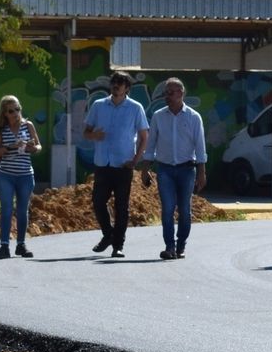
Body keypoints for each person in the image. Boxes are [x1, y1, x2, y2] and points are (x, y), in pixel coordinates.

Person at [83, 71, 149, 256]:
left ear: (127, 88)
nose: (116, 86)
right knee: (98, 202)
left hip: (123, 164)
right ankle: (108, 234)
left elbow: (144, 136)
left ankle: (117, 246)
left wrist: (136, 160)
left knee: (122, 207)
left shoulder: (135, 108)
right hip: (103, 163)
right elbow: (86, 132)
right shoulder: (98, 105)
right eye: (114, 82)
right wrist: (93, 135)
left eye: (120, 83)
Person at [142, 77, 207, 260]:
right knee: (168, 208)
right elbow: (151, 143)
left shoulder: (194, 117)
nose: (167, 96)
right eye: (165, 93)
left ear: (181, 94)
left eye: (171, 93)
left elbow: (200, 147)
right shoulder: (158, 116)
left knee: (185, 210)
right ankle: (169, 246)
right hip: (165, 170)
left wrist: (202, 172)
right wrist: (145, 169)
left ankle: (181, 245)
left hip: (187, 170)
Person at [0, 95, 40, 258]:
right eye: (11, 111)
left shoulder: (28, 125)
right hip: (6, 175)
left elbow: (38, 146)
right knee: (7, 209)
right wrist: (9, 147)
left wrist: (32, 148)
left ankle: (21, 245)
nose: (15, 113)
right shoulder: (1, 130)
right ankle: (4, 246)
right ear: (5, 113)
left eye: (18, 109)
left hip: (25, 174)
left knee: (23, 209)